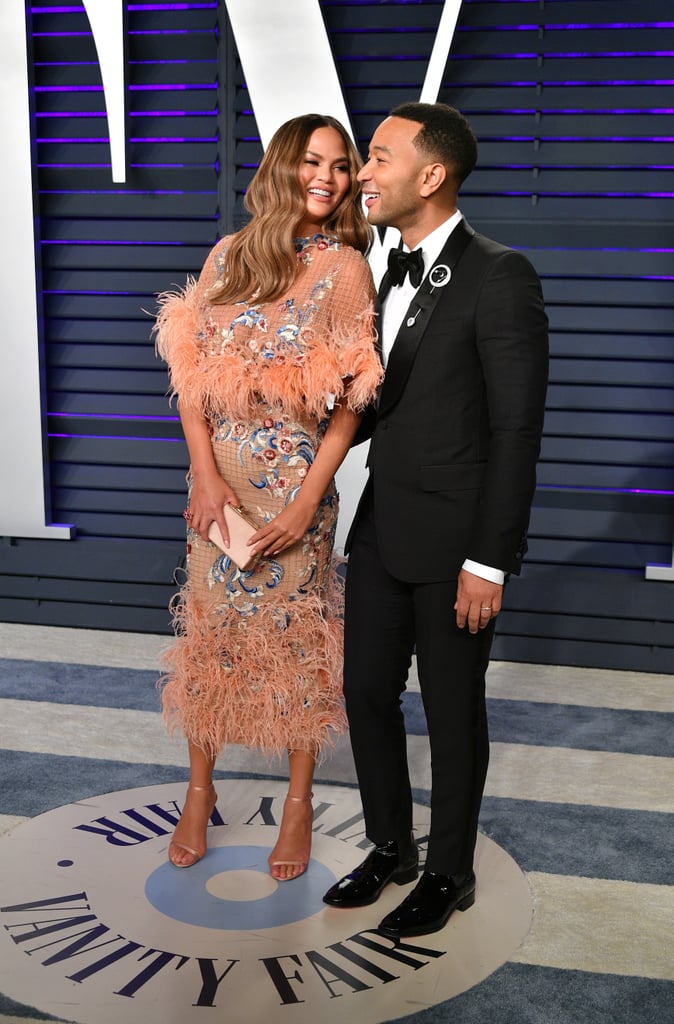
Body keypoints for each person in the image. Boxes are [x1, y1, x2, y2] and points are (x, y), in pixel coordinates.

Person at [323, 102, 549, 935]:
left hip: (458, 542)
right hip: (384, 524)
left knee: (453, 712)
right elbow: (388, 399)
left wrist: (490, 560)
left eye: (377, 158)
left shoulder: (501, 273)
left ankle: (450, 870)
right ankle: (392, 844)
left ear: (431, 175)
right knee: (365, 694)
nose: (362, 174)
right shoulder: (387, 265)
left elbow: (515, 428)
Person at [154, 113, 382, 881]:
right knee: (211, 642)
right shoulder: (226, 256)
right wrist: (205, 476)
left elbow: (352, 402)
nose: (328, 177)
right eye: (313, 161)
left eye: (342, 166)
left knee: (298, 647)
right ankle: (197, 792)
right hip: (216, 491)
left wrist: (304, 506)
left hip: (296, 489)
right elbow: (190, 375)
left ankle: (296, 803)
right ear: (282, 167)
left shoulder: (345, 266)